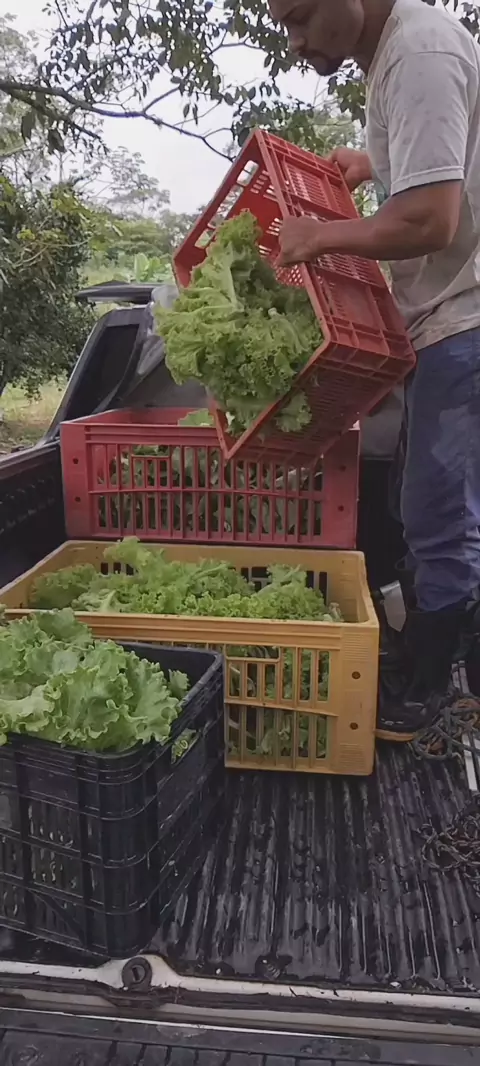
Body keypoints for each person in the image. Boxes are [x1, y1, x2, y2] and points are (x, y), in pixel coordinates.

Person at [269, 0, 480, 740]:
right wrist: (375, 167)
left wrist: (320, 236)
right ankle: (438, 659)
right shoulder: (395, 49)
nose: (295, 42)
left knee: (438, 517)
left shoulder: (419, 51)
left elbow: (430, 220)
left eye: (300, 18)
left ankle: (431, 688)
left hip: (464, 320)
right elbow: (435, 176)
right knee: (428, 508)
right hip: (443, 320)